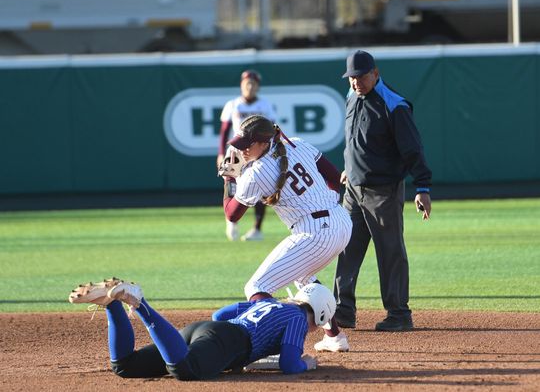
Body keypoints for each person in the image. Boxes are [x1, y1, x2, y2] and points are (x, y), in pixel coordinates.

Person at [219, 114, 353, 352]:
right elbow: (334, 178)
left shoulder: (255, 172)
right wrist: (322, 204)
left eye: (247, 145)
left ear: (263, 142)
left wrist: (229, 178)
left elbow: (232, 214)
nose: (243, 150)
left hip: (314, 232)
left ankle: (269, 345)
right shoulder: (298, 144)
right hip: (341, 221)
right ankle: (334, 336)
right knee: (302, 276)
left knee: (256, 287)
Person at [333, 50, 432, 332]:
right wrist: (349, 167)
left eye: (361, 76)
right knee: (346, 248)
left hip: (383, 191)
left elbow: (413, 149)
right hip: (352, 189)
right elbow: (354, 140)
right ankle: (343, 311)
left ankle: (399, 313)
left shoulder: (394, 105)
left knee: (390, 252)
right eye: (351, 77)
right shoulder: (351, 97)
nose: (355, 82)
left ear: (375, 73)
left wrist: (422, 187)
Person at [68, 278, 336, 379]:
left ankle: (111, 304)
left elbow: (220, 314)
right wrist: (306, 365)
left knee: (126, 366)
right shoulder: (299, 318)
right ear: (320, 312)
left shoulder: (270, 303)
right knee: (185, 369)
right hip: (228, 340)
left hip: (205, 331)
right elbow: (290, 364)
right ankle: (140, 304)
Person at [217, 69, 277, 241]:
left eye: (253, 84)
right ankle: (232, 220)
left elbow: (273, 130)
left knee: (260, 186)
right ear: (241, 85)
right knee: (230, 181)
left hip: (259, 152)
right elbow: (224, 132)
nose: (249, 87)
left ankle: (257, 229)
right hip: (236, 150)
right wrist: (221, 153)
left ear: (257, 87)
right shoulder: (233, 104)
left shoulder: (265, 105)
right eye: (246, 83)